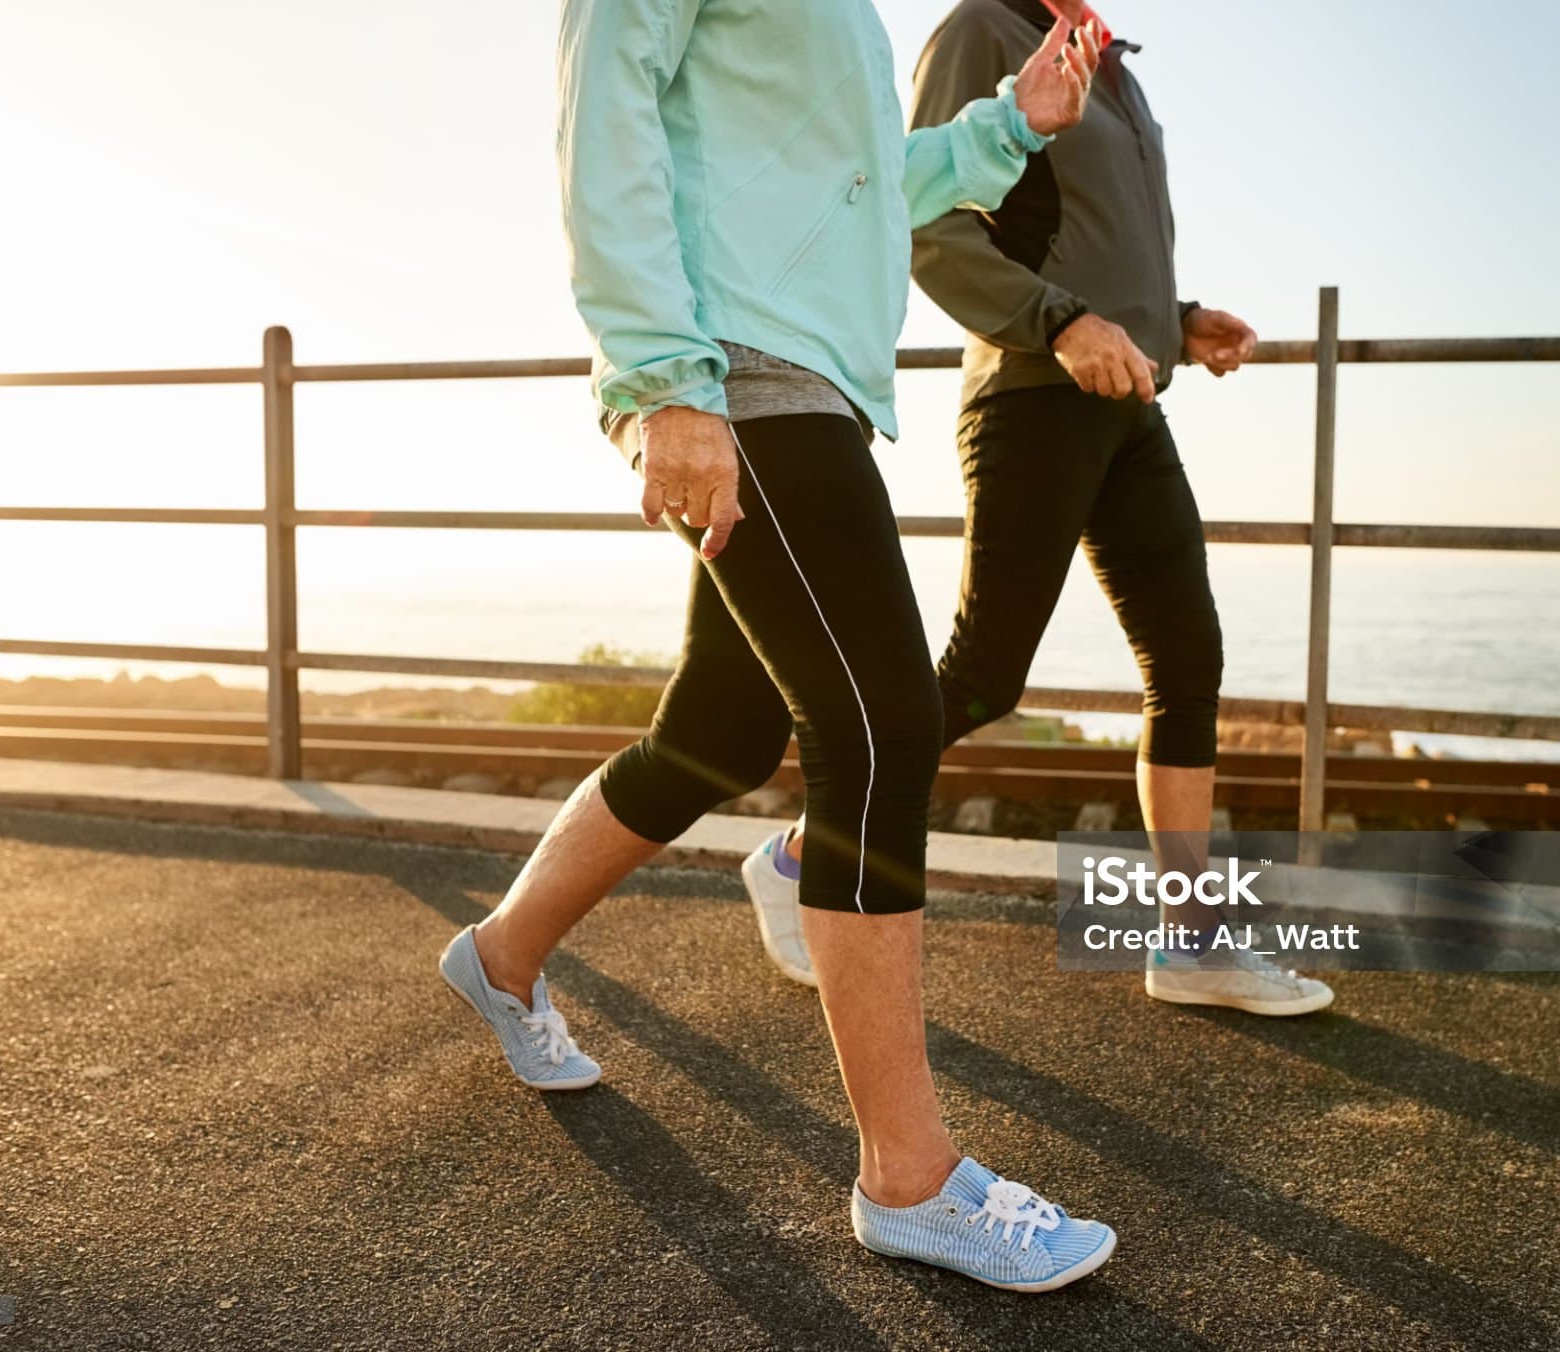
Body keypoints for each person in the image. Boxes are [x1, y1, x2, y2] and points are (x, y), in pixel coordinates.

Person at [440, 0, 1119, 1293]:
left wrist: (1004, 129)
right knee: (879, 728)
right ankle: (909, 1181)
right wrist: (661, 379)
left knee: (721, 730)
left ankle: (501, 956)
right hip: (739, 372)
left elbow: (862, 182)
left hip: (804, 377)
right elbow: (608, 114)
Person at [741, 0, 1335, 1018]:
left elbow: (1082, 227)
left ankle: (1188, 942)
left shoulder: (1111, 62)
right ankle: (800, 855)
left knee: (1186, 661)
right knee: (983, 674)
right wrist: (1057, 321)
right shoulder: (981, 30)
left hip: (1127, 399)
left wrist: (1174, 319)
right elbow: (915, 217)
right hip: (1028, 397)